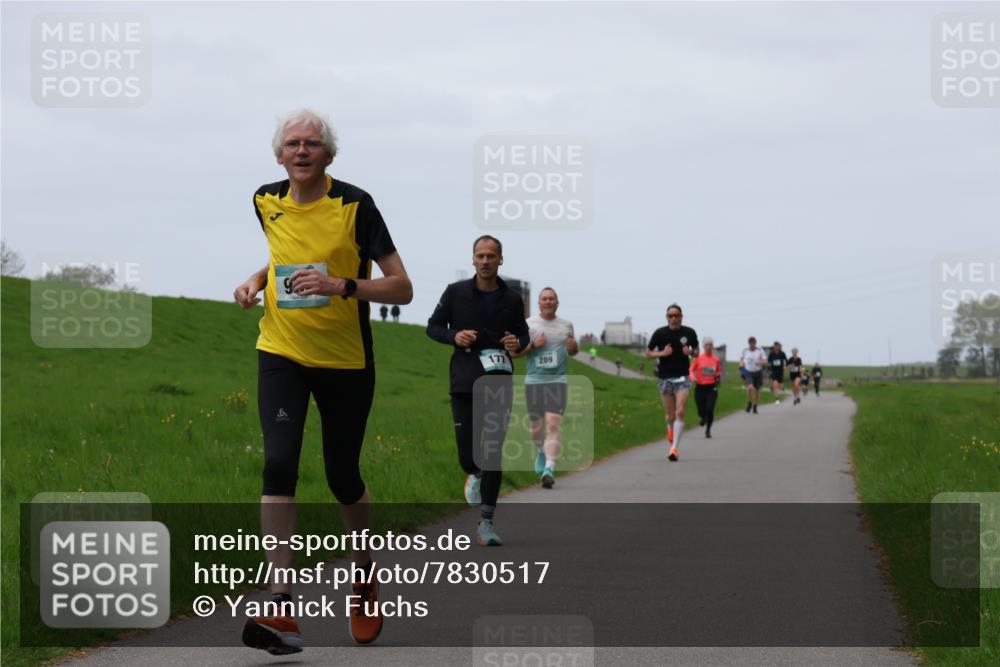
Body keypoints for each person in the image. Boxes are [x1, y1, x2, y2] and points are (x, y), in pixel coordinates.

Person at [233, 109, 412, 653]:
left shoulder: (356, 205)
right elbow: (283, 253)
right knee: (279, 461)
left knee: (341, 474)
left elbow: (402, 287)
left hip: (345, 361)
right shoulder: (265, 200)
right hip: (282, 352)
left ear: (329, 155)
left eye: (313, 143)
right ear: (280, 154)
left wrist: (340, 285)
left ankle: (363, 578)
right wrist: (256, 279)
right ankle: (281, 604)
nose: (303, 150)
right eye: (293, 143)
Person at [426, 235, 529, 546]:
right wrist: (455, 336)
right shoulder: (456, 293)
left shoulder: (511, 298)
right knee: (468, 454)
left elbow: (522, 334)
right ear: (473, 260)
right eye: (480, 256)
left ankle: (487, 524)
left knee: (493, 451)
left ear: (501, 260)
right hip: (465, 380)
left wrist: (517, 344)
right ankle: (474, 472)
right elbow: (433, 327)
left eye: (491, 256)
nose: (485, 261)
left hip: (498, 379)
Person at [510, 287, 577, 489]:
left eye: (551, 299)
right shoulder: (529, 324)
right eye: (544, 299)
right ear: (539, 303)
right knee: (536, 430)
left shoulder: (567, 325)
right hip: (534, 382)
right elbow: (514, 353)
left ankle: (549, 468)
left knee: (554, 424)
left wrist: (574, 349)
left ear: (557, 302)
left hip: (557, 382)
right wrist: (534, 346)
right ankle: (541, 453)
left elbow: (573, 350)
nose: (548, 302)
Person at [646, 304, 699, 461]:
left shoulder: (689, 332)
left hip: (683, 377)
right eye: (671, 316)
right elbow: (648, 353)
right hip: (665, 378)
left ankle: (674, 448)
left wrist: (690, 352)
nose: (674, 318)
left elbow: (697, 351)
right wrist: (662, 353)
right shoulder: (660, 333)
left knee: (680, 411)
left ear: (681, 316)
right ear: (667, 317)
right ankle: (670, 428)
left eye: (676, 315)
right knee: (670, 416)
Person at [689, 337, 722, 437]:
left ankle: (708, 430)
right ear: (703, 346)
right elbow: (690, 370)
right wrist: (693, 377)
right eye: (707, 345)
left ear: (712, 346)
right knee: (701, 408)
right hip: (700, 387)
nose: (708, 347)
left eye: (710, 345)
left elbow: (718, 371)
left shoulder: (716, 359)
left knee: (710, 408)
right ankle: (702, 417)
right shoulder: (697, 358)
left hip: (711, 387)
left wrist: (718, 375)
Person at [742, 336, 767, 414]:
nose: (752, 344)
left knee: (757, 391)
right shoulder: (745, 350)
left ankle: (755, 406)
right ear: (749, 343)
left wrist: (759, 362)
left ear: (755, 343)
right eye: (750, 343)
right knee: (750, 388)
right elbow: (742, 359)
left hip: (757, 372)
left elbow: (765, 361)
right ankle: (749, 402)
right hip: (748, 371)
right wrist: (741, 364)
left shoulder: (760, 350)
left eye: (753, 343)